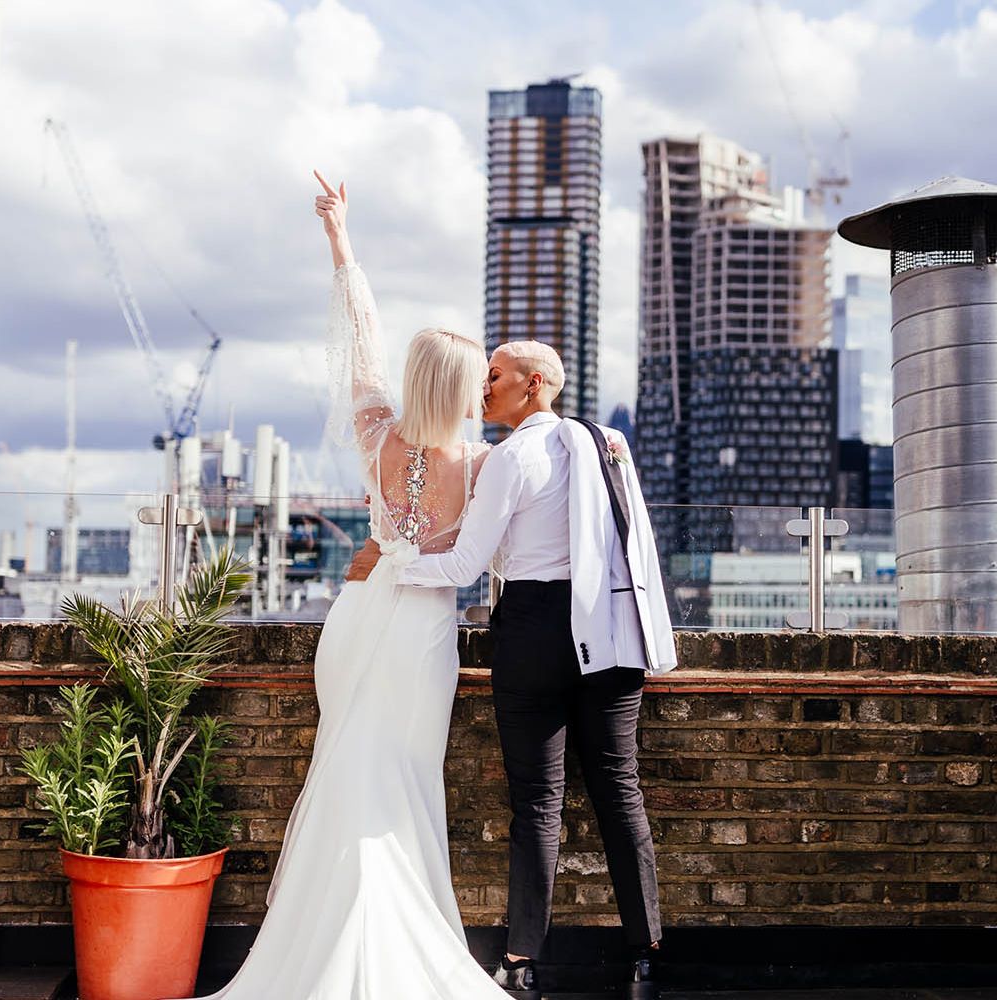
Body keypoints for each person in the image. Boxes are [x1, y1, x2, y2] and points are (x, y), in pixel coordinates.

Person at [184, 175, 510, 999]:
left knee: (346, 768)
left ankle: (316, 945)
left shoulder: (376, 433)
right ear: (462, 388)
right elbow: (481, 564)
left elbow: (360, 340)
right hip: (420, 627)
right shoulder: (480, 466)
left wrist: (341, 239)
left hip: (360, 615)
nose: (481, 393)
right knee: (399, 778)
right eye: (476, 380)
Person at [399, 341, 678, 1000]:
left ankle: (522, 960)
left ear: (533, 384)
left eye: (494, 376)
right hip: (610, 628)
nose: (483, 388)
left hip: (534, 630)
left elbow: (466, 568)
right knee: (619, 793)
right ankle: (645, 957)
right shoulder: (606, 443)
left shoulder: (511, 457)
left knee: (537, 804)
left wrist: (392, 564)